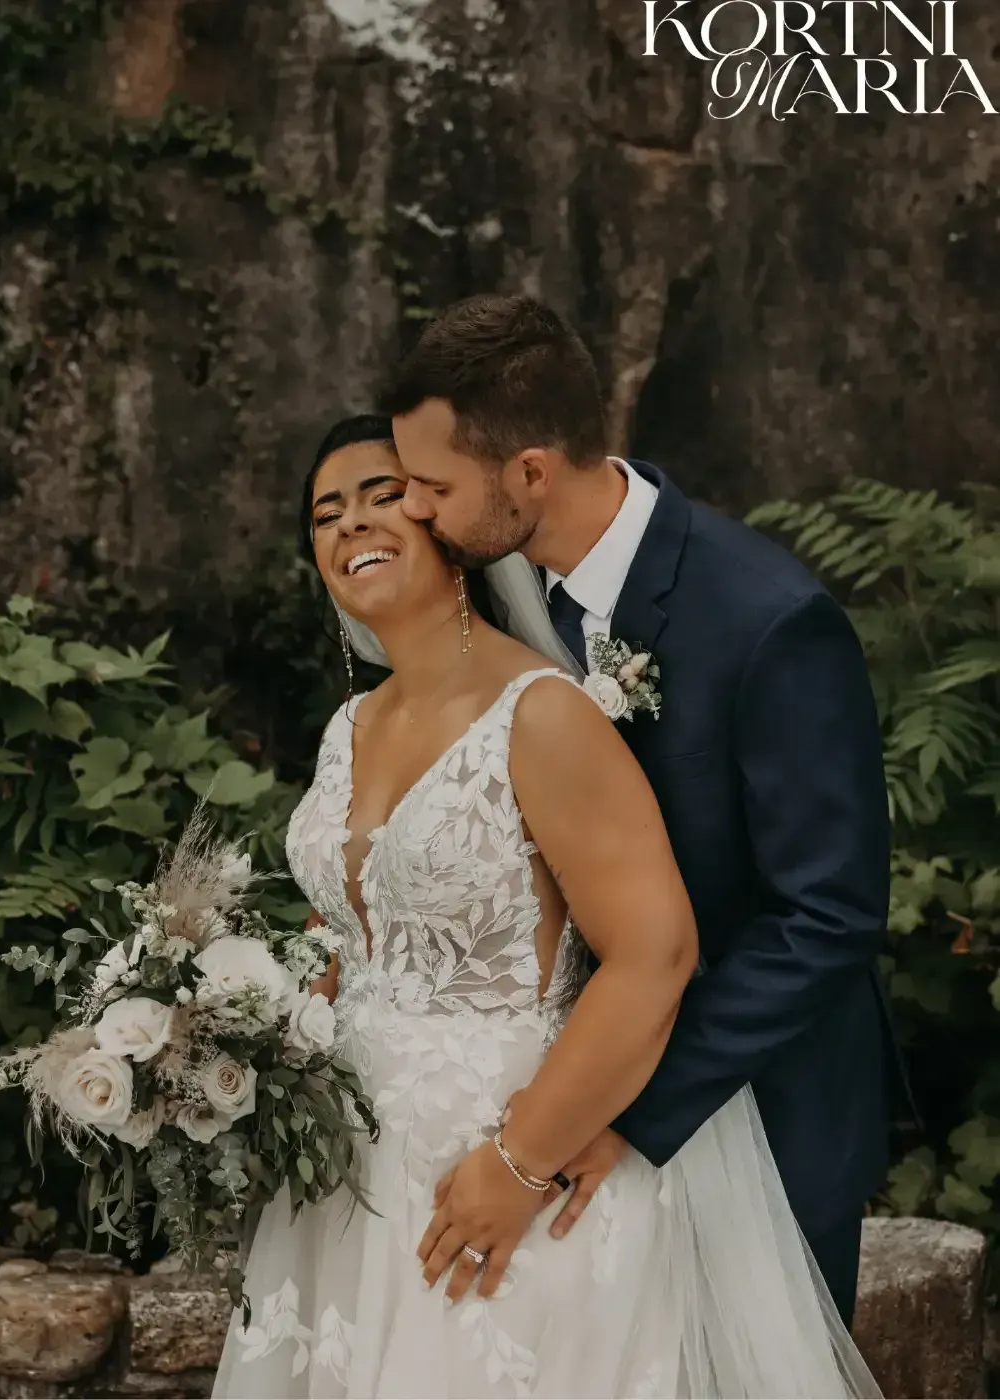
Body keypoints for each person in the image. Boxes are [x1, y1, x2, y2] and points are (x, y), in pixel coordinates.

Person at [211, 412, 880, 1399]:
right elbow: (348, 930)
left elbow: (652, 952)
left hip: (508, 1149)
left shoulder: (541, 713)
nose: (350, 522)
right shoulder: (348, 725)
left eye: (382, 493)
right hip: (350, 1176)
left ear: (451, 525)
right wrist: (232, 1051)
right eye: (324, 512)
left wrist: (517, 1163)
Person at [381, 293, 898, 1332]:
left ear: (529, 470)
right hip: (558, 1102)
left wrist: (622, 1108)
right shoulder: (492, 586)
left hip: (747, 1104)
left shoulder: (769, 623)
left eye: (434, 485)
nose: (417, 513)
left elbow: (826, 914)